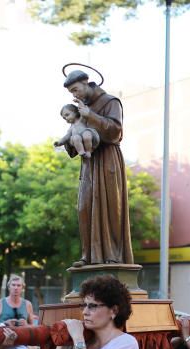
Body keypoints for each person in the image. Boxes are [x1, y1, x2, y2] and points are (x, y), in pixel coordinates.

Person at [61, 70, 132, 266]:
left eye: (76, 90)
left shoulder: (111, 102)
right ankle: (89, 255)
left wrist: (90, 116)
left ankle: (112, 256)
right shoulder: (81, 107)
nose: (74, 95)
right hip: (89, 163)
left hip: (108, 159)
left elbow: (115, 132)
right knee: (85, 207)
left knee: (110, 207)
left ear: (86, 83)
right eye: (71, 93)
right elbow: (73, 138)